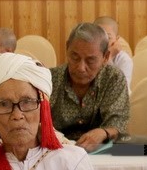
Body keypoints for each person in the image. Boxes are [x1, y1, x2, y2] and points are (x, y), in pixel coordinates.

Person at [50, 23, 129, 152]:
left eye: (90, 60)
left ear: (105, 57)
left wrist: (104, 132)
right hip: (58, 153)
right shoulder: (51, 79)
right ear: (67, 49)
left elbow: (118, 122)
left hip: (102, 153)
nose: (81, 68)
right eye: (75, 57)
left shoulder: (113, 78)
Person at [93, 16, 133, 90]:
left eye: (108, 37)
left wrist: (109, 57)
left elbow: (121, 90)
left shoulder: (124, 59)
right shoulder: (88, 55)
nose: (103, 41)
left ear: (117, 39)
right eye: (99, 36)